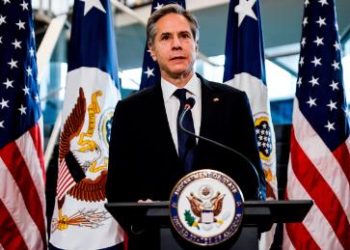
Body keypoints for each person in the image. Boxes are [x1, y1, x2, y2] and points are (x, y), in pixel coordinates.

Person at [106, 3, 266, 248]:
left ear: (195, 45)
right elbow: (118, 189)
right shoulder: (130, 111)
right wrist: (138, 209)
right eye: (166, 37)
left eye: (184, 36)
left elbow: (252, 178)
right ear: (152, 50)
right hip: (155, 239)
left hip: (225, 240)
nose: (176, 44)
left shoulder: (233, 102)